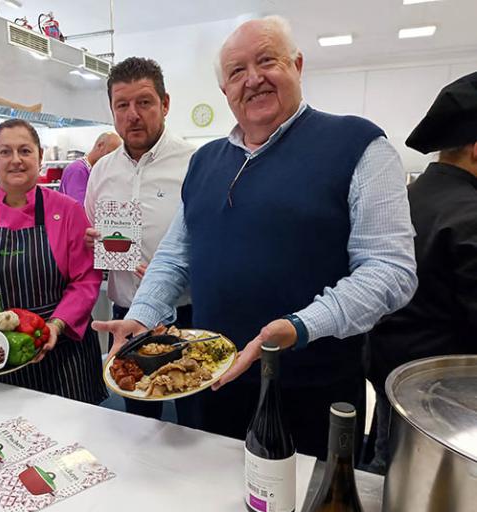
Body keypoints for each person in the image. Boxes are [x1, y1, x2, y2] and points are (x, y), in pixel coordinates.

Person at [94, 16, 417, 460]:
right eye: (236, 72)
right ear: (225, 90)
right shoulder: (206, 161)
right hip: (211, 379)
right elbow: (174, 256)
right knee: (209, 489)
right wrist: (144, 314)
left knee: (306, 499)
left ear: (297, 65)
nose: (253, 79)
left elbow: (391, 271)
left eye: (267, 61)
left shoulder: (359, 145)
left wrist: (300, 326)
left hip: (310, 385)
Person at [0, 119, 107, 405]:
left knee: (73, 438)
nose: (15, 160)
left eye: (25, 151)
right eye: (5, 152)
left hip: (61, 349)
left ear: (40, 157)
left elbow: (85, 280)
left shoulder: (67, 211)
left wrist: (56, 325)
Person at [367, 71, 477, 474]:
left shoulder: (406, 198)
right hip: (445, 397)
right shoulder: (469, 215)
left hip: (389, 371)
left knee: (388, 461)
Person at [84, 57, 196, 422]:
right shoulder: (102, 171)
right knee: (136, 417)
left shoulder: (194, 164)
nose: (133, 114)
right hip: (125, 315)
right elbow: (91, 228)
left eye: (144, 102)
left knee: (193, 417)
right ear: (112, 110)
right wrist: (89, 244)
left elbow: (212, 244)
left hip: (184, 316)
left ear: (165, 104)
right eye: (122, 105)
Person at [59, 132, 121, 205]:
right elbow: (80, 207)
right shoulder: (77, 170)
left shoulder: (95, 171)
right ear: (100, 145)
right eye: (109, 154)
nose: (111, 160)